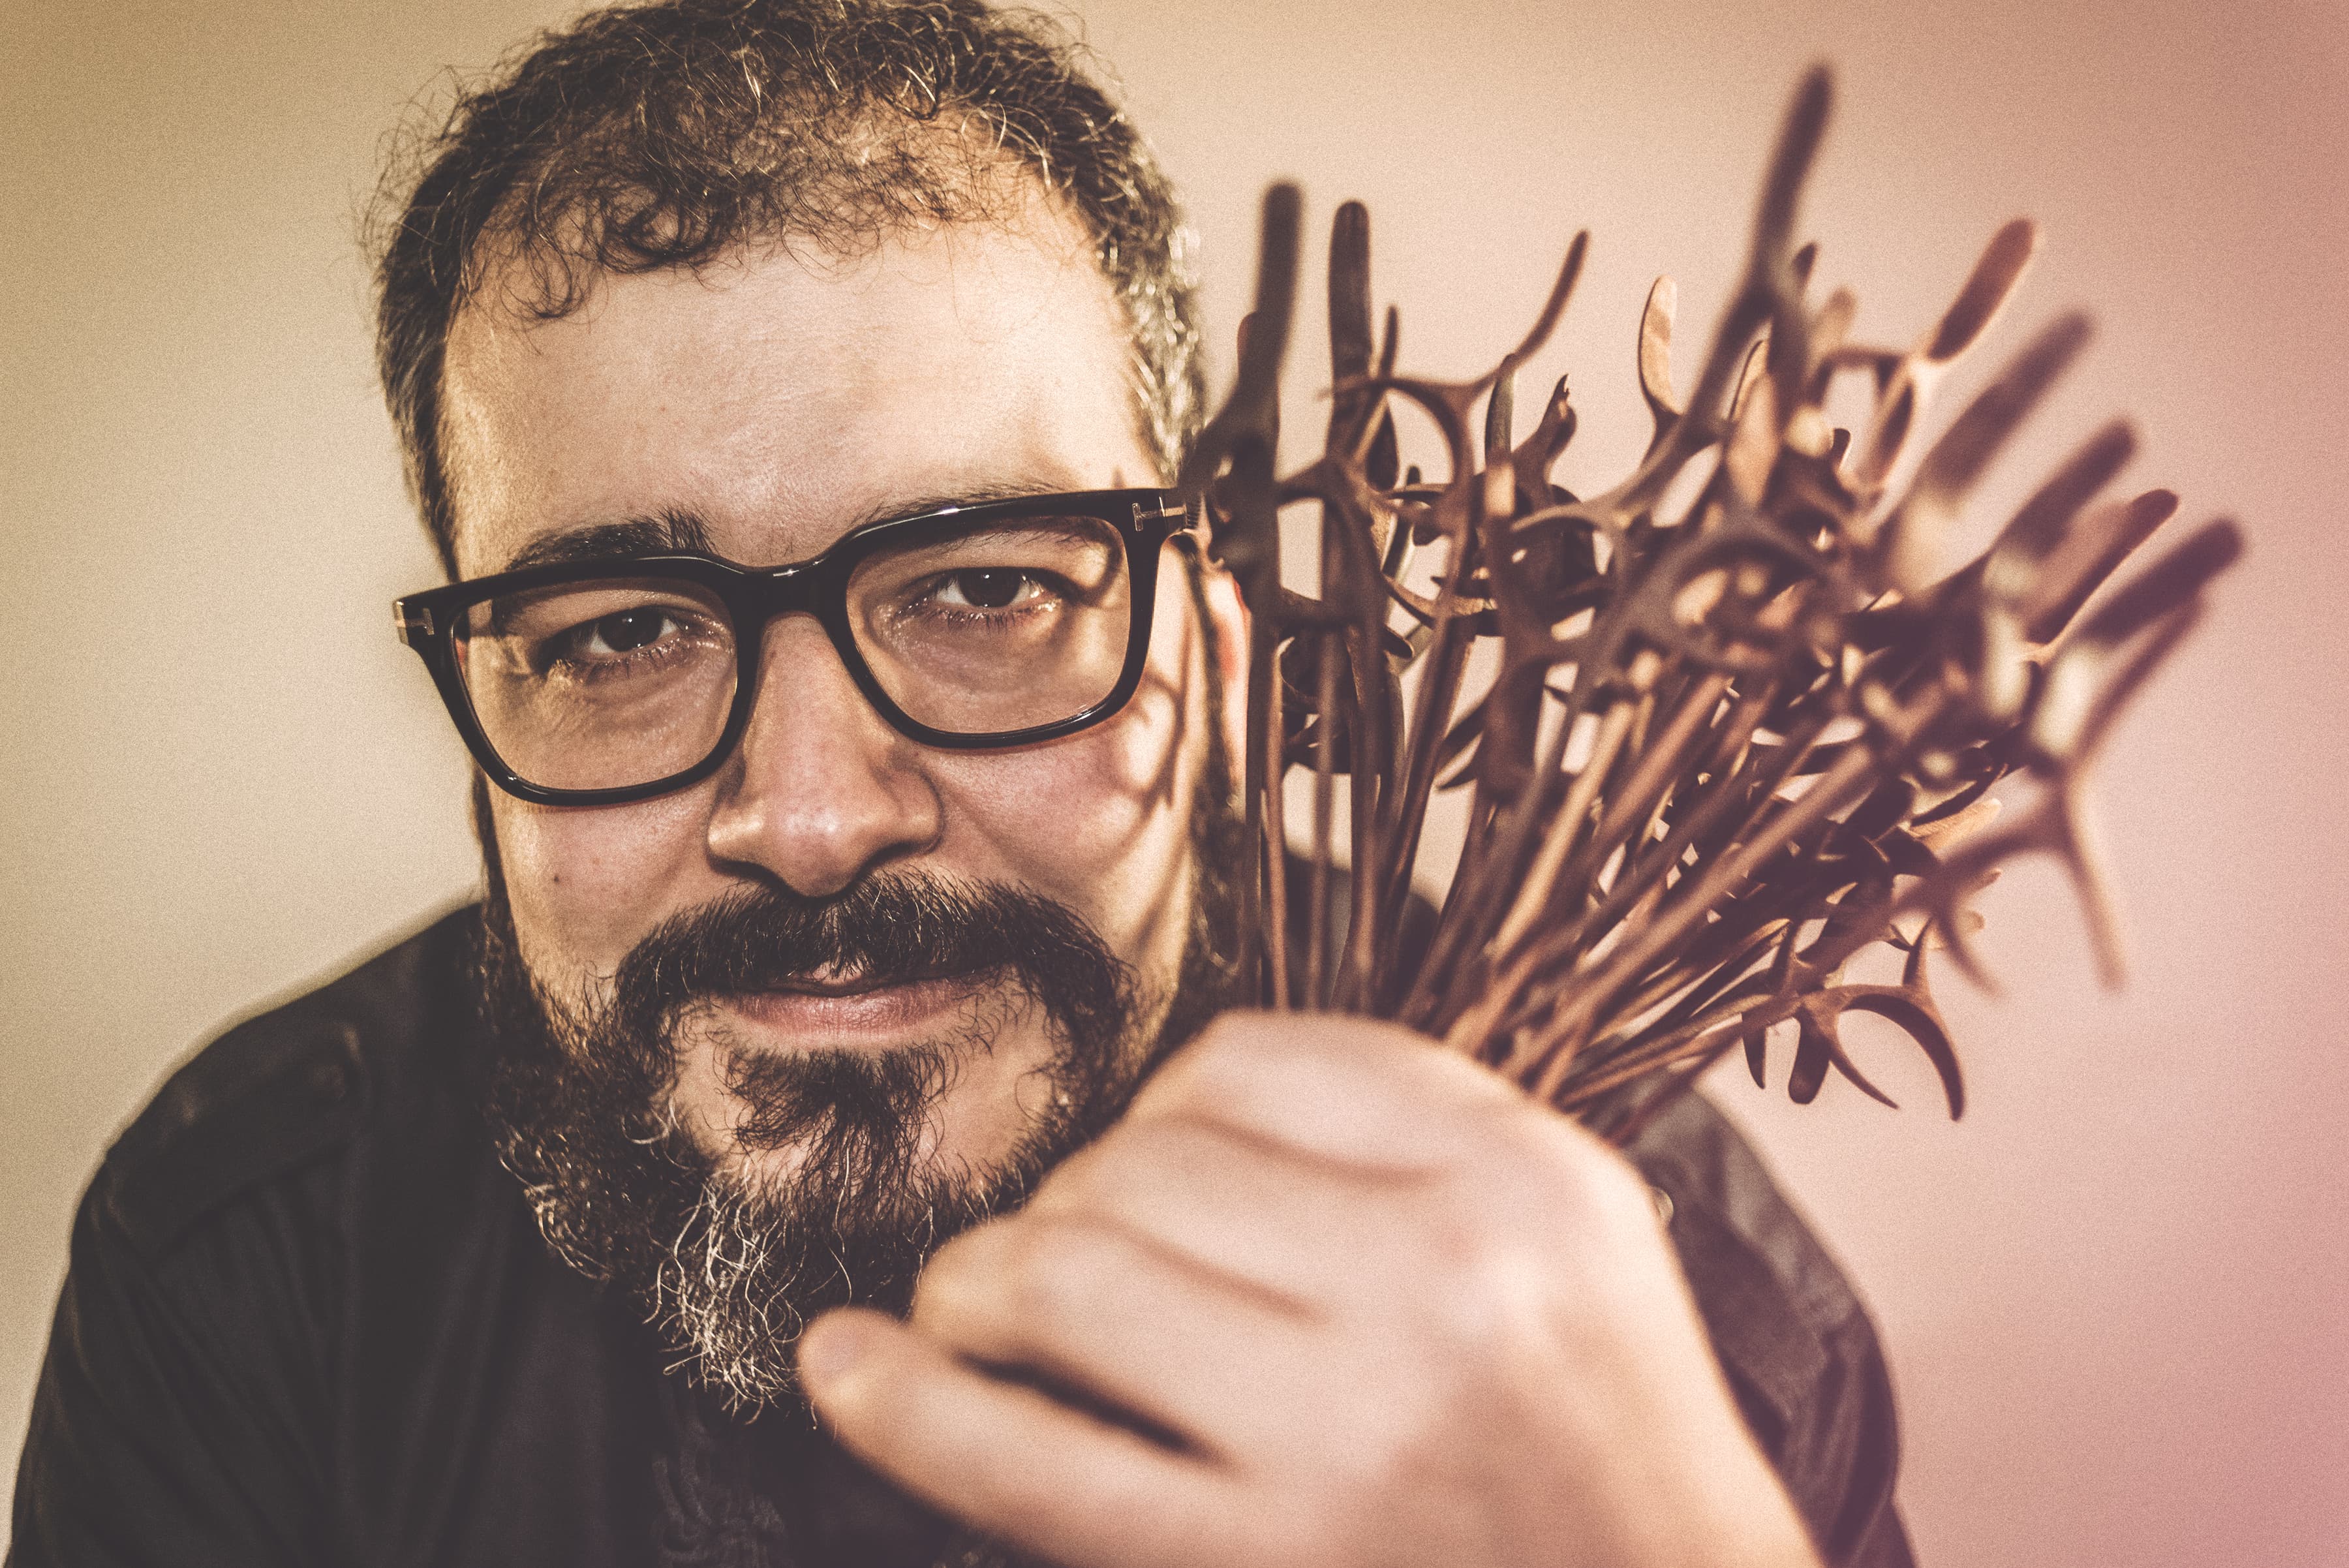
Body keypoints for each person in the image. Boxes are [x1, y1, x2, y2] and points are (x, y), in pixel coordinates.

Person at [8, 2, 1911, 1564]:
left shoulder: (1626, 1299)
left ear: (1210, 661)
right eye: (615, 636)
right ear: (480, 721)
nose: (819, 817)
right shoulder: (257, 1260)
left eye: (985, 591)